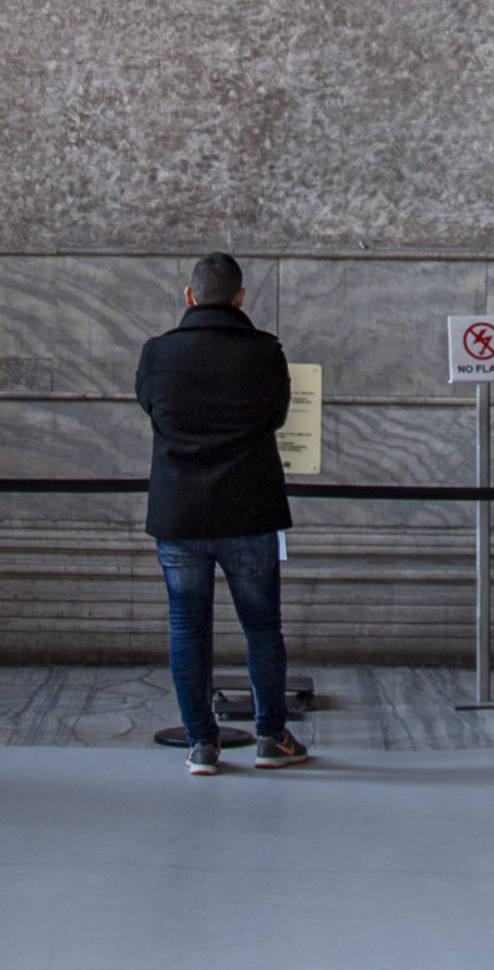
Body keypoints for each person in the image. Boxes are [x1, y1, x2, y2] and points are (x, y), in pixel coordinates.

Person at [133, 252, 310, 774]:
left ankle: (201, 745)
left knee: (186, 629)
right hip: (249, 509)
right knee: (262, 629)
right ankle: (270, 736)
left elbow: (150, 408)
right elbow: (277, 417)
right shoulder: (265, 353)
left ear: (189, 296)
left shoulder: (157, 353)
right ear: (240, 297)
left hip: (180, 515)